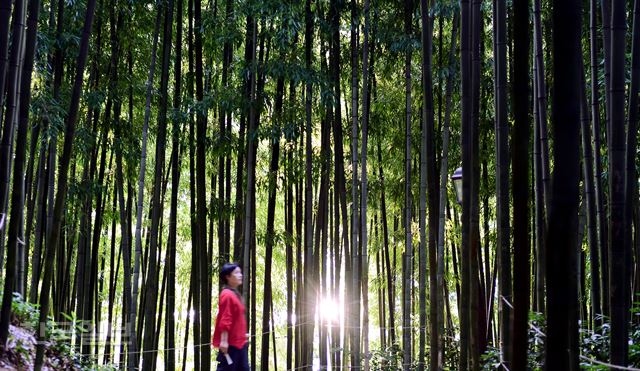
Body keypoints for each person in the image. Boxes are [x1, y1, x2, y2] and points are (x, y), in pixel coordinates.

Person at [212, 263, 250, 370]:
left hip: (239, 343)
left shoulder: (235, 294)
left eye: (240, 272)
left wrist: (242, 334)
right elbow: (225, 318)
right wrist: (224, 340)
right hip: (231, 345)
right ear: (228, 277)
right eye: (237, 273)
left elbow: (237, 320)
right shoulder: (227, 294)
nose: (240, 275)